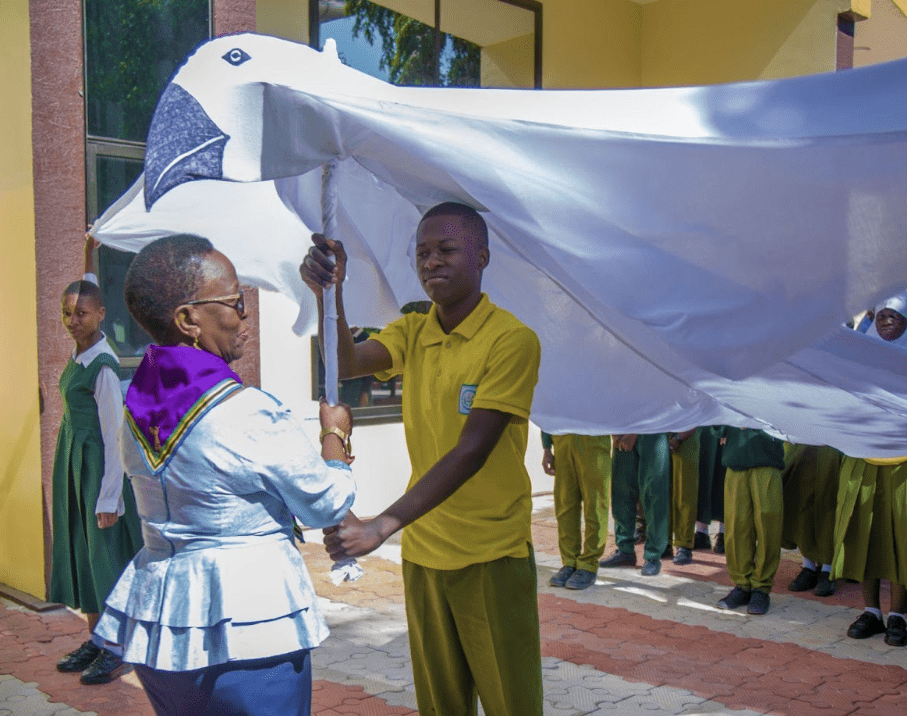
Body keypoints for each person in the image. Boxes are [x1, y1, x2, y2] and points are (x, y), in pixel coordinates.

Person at [93, 235, 357, 715]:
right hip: (249, 624)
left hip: (162, 622)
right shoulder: (247, 412)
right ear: (188, 319)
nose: (245, 314)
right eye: (235, 302)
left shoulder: (135, 407)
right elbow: (325, 504)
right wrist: (335, 438)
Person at [301, 202, 543, 716]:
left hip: (491, 555)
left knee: (511, 704)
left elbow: (471, 450)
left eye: (447, 250)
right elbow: (344, 364)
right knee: (442, 705)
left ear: (481, 257)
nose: (432, 262)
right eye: (422, 253)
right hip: (427, 553)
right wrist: (331, 294)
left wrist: (381, 525)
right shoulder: (414, 330)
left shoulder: (513, 340)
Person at [49, 238, 144, 685]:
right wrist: (89, 252)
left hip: (98, 473)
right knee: (83, 556)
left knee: (104, 559)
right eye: (67, 313)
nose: (73, 320)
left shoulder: (103, 367)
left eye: (81, 313)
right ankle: (96, 638)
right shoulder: (79, 352)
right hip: (74, 465)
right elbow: (86, 287)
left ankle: (117, 647)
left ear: (101, 315)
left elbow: (115, 436)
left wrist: (109, 497)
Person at [834, 292, 907, 648]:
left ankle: (897, 615)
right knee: (865, 535)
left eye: (896, 317)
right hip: (865, 458)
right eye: (882, 317)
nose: (888, 322)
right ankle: (871, 611)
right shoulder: (862, 356)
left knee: (901, 539)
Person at [714, 427, 785, 615]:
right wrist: (721, 430)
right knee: (736, 526)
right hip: (736, 456)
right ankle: (742, 584)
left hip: (767, 455)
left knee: (768, 524)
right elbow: (717, 415)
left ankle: (761, 587)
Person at [542, 432, 611, 589]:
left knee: (595, 504)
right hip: (562, 440)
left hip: (593, 438)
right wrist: (546, 448)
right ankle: (569, 562)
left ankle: (588, 564)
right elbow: (548, 409)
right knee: (565, 505)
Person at [601, 433, 672, 575]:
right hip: (622, 429)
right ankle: (625, 550)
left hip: (652, 429)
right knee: (621, 491)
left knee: (654, 491)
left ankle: (653, 556)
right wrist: (614, 432)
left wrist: (634, 433)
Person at [780, 443, 842, 597]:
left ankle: (827, 569)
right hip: (803, 439)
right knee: (800, 502)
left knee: (828, 503)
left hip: (833, 441)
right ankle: (808, 567)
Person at [668, 429, 701, 565]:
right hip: (662, 429)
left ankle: (684, 545)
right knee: (662, 492)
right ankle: (665, 542)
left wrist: (679, 438)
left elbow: (699, 411)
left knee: (685, 492)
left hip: (686, 433)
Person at [695, 425, 728, 554]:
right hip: (706, 421)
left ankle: (724, 533)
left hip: (728, 419)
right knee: (704, 474)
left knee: (724, 476)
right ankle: (701, 532)